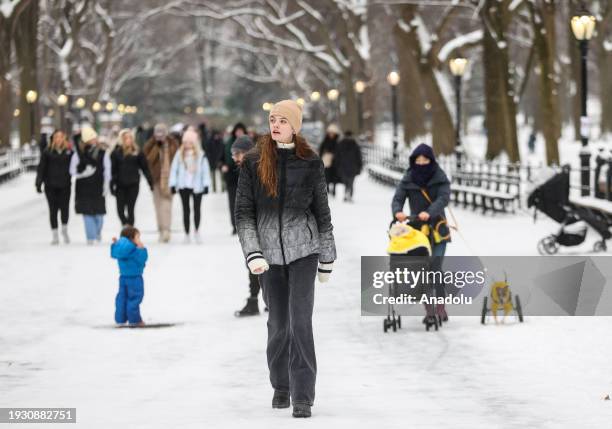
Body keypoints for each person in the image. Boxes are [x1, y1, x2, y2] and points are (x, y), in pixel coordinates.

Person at [235, 100, 336, 419]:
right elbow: (244, 214)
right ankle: (281, 384)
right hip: (268, 258)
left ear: (295, 126)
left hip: (304, 252)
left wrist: (327, 257)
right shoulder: (252, 162)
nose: (275, 124)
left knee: (301, 322)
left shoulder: (310, 162)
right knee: (279, 323)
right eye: (272, 119)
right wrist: (253, 253)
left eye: (282, 120)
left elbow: (322, 212)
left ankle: (303, 395)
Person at [391, 143, 451, 324]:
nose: (421, 163)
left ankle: (440, 307)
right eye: (418, 160)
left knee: (435, 268)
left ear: (431, 160)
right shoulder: (408, 177)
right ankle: (429, 310)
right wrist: (397, 211)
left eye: (425, 160)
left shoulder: (440, 177)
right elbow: (398, 197)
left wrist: (430, 212)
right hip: (417, 233)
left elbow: (443, 198)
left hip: (437, 230)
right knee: (422, 270)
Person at [231, 135, 263, 317]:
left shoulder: (256, 169)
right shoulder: (248, 168)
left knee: (257, 263)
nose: (234, 158)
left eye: (237, 153)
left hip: (260, 226)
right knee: (256, 263)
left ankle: (260, 300)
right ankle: (262, 300)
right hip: (254, 225)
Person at [169, 128, 211, 243]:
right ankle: (187, 233)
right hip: (184, 186)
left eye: (190, 142)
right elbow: (174, 170)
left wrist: (206, 184)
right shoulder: (179, 154)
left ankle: (197, 231)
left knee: (197, 209)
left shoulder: (201, 155)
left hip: (197, 186)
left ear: (194, 142)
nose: (187, 144)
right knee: (185, 210)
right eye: (185, 142)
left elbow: (205, 171)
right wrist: (172, 184)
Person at [69, 127, 111, 245]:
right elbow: (72, 170)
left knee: (99, 213)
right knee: (87, 212)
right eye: (90, 138)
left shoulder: (103, 153)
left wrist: (106, 183)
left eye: (94, 138)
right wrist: (82, 174)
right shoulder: (78, 155)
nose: (93, 140)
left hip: (98, 185)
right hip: (83, 187)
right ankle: (90, 236)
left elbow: (107, 169)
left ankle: (97, 232)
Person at [35, 130, 73, 244]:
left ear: (64, 138)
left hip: (65, 185)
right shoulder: (47, 152)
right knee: (53, 210)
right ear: (53, 139)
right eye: (56, 137)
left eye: (61, 137)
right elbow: (41, 168)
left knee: (64, 209)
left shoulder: (69, 152)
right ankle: (55, 234)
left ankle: (64, 230)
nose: (59, 139)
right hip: (50, 186)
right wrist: (38, 182)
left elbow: (76, 165)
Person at [110, 129, 154, 227]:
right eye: (126, 138)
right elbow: (113, 170)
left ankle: (130, 229)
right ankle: (125, 224)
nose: (128, 140)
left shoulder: (137, 152)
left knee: (130, 208)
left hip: (133, 184)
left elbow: (145, 168)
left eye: (130, 138)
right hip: (120, 185)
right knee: (120, 209)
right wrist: (111, 185)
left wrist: (150, 182)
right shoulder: (116, 153)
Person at [143, 123, 179, 243]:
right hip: (156, 180)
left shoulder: (173, 143)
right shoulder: (151, 144)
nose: (160, 135)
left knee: (167, 206)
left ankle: (166, 230)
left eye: (162, 133)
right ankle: (161, 229)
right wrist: (156, 147)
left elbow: (177, 158)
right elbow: (147, 160)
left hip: (170, 179)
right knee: (158, 206)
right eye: (157, 133)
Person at [111, 225, 148, 326]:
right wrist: (142, 248)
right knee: (135, 298)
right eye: (138, 237)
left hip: (123, 278)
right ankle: (135, 319)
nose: (139, 240)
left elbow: (116, 252)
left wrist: (115, 244)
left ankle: (120, 318)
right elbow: (142, 260)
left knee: (122, 297)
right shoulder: (133, 250)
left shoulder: (121, 249)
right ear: (131, 238)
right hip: (135, 278)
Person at [220, 122, 247, 234]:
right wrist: (223, 165)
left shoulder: (248, 143)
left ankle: (245, 226)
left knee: (245, 203)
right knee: (233, 202)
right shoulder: (228, 144)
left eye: (241, 131)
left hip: (245, 176)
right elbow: (221, 158)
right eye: (237, 131)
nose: (239, 133)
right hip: (231, 176)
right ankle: (235, 225)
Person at [334, 130, 363, 202]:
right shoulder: (353, 144)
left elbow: (358, 156)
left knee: (348, 182)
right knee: (349, 182)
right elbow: (359, 157)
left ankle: (348, 194)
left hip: (347, 167)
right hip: (349, 167)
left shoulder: (344, 144)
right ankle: (348, 194)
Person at [318, 124, 340, 196]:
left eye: (332, 133)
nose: (331, 135)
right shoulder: (325, 141)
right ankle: (327, 188)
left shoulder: (337, 142)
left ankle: (334, 189)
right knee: (326, 175)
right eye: (330, 133)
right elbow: (321, 150)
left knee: (334, 175)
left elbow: (339, 151)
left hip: (335, 161)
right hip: (326, 161)